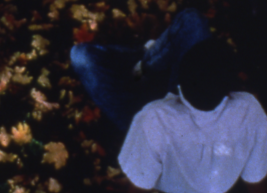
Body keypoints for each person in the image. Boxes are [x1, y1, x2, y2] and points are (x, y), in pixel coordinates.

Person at [118, 40, 267, 193]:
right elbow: (255, 177)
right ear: (228, 91)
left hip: (161, 111)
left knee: (190, 20)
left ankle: (146, 58)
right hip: (183, 103)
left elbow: (139, 185)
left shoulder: (153, 119)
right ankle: (148, 56)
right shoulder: (250, 111)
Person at [70, 9, 212, 133]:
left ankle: (146, 60)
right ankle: (146, 58)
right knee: (193, 20)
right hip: (178, 92)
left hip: (136, 115)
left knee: (81, 56)